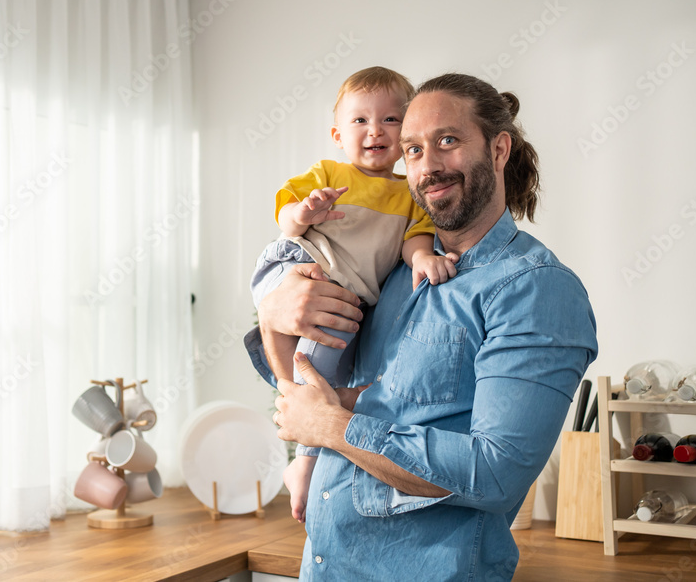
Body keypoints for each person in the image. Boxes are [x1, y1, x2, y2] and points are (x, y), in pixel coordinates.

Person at [246, 72, 598, 580]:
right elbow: (326, 386)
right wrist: (272, 306)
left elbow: (497, 472)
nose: (428, 166)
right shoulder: (391, 272)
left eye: (447, 142)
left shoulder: (536, 289)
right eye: (411, 149)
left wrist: (335, 427)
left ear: (499, 149)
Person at [250, 66, 457, 522]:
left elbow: (416, 240)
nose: (375, 131)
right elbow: (286, 218)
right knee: (285, 336)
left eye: (390, 120)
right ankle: (297, 434)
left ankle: (301, 458)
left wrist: (422, 259)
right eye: (360, 121)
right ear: (338, 133)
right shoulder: (329, 171)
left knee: (319, 369)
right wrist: (306, 211)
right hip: (296, 262)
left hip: (348, 294)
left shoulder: (410, 195)